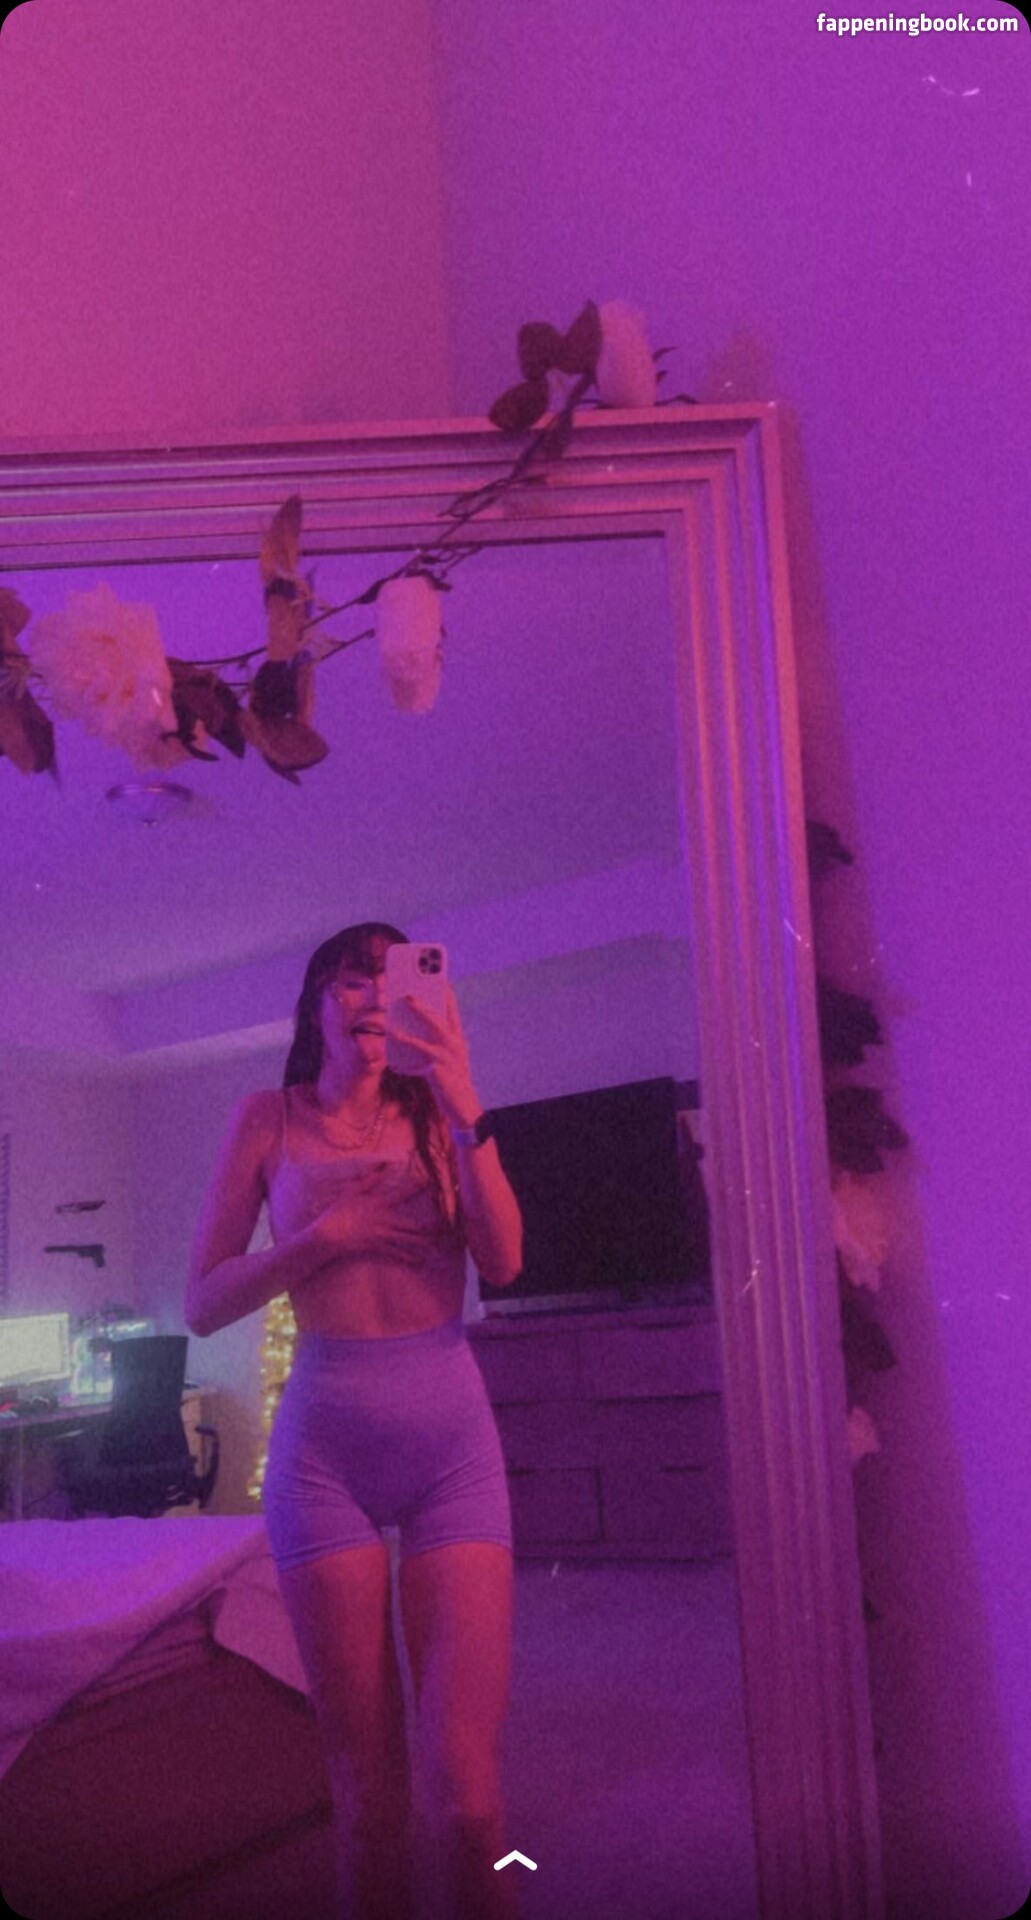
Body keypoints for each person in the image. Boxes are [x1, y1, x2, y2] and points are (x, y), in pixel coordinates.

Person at [185, 923, 524, 1920]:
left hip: (450, 1445)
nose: (374, 995)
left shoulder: (441, 1112)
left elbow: (504, 1262)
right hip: (322, 1454)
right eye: (351, 980)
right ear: (316, 1005)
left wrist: (463, 1099)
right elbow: (202, 1302)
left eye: (393, 978)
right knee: (367, 1799)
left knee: (470, 1800)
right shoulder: (265, 1118)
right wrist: (327, 1237)